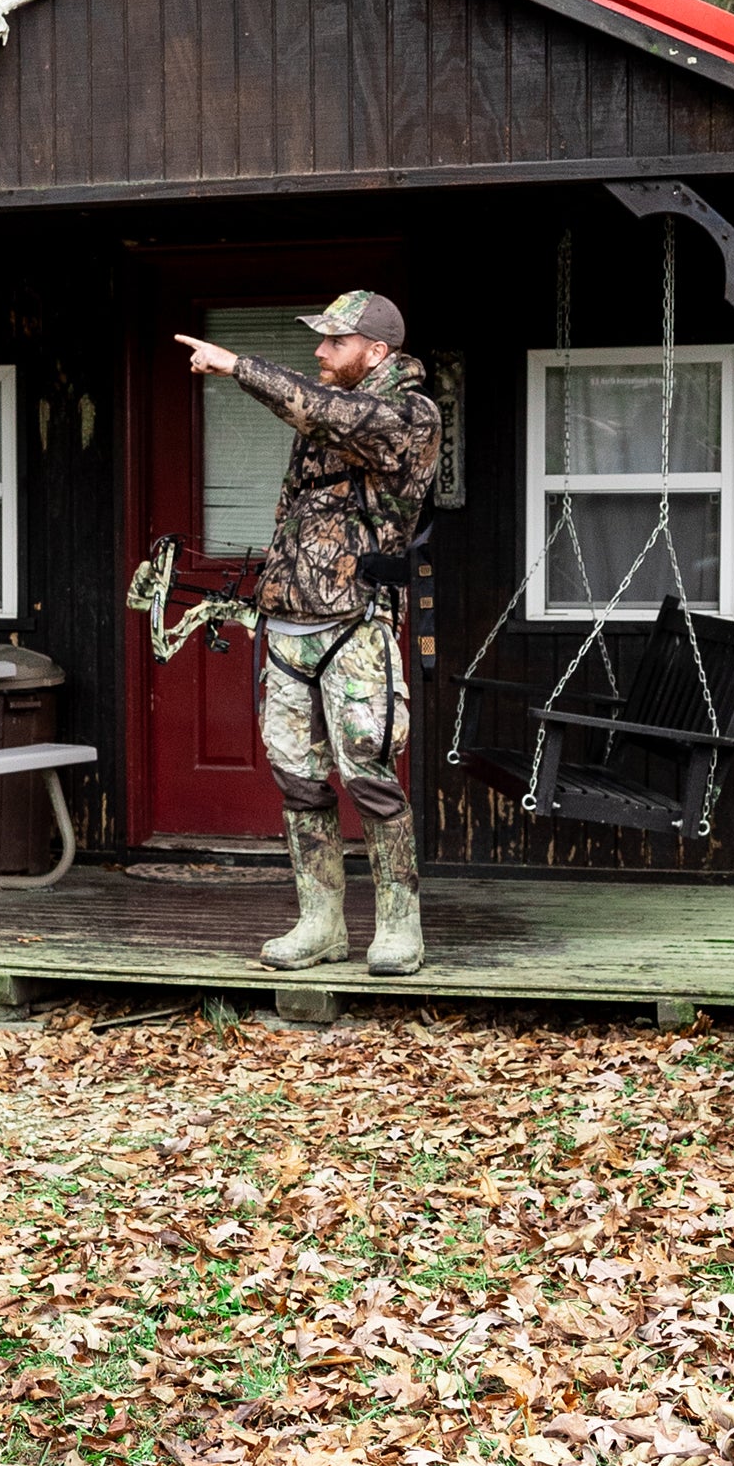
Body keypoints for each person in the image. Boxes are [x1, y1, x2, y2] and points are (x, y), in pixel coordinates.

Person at [175, 292, 440, 977]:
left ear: (375, 352)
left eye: (334, 342)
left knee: (369, 772)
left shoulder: (408, 415)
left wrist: (238, 366)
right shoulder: (331, 413)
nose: (319, 353)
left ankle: (399, 926)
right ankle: (320, 923)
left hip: (358, 623)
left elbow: (329, 412)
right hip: (289, 626)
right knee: (297, 776)